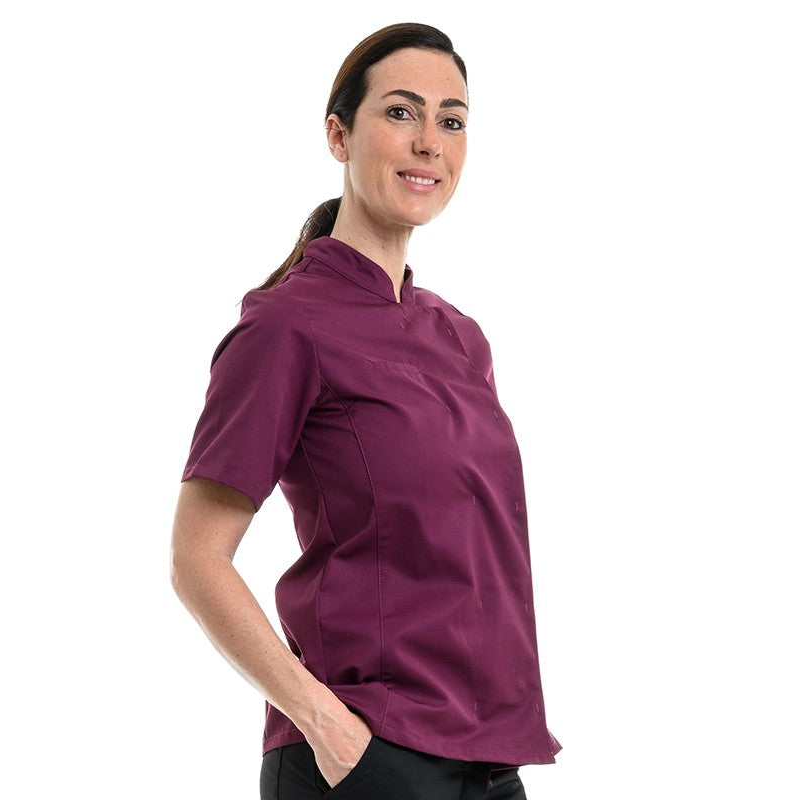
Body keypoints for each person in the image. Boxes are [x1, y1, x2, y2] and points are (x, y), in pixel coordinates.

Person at [170, 22, 561, 800]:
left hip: (489, 755)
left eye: (452, 121)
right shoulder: (286, 326)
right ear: (339, 135)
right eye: (401, 112)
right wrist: (326, 723)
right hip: (368, 754)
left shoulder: (461, 337)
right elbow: (196, 557)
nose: (429, 143)